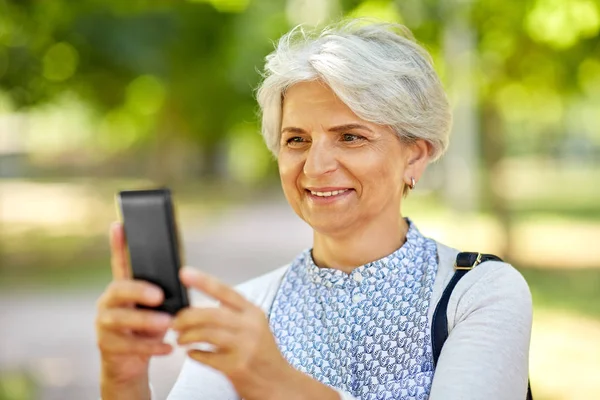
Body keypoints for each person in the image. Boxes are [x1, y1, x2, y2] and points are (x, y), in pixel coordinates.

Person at [95, 19, 533, 400]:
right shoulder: (248, 309)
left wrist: (277, 384)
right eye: (297, 140)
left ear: (415, 156)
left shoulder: (480, 294)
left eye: (350, 137)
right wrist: (124, 380)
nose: (316, 166)